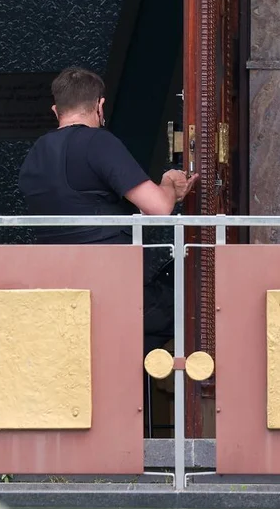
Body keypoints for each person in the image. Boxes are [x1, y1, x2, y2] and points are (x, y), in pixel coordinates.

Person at [17, 67, 196, 351]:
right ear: (100, 105)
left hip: (58, 288)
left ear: (56, 110)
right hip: (111, 287)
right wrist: (169, 185)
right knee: (194, 303)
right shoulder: (98, 142)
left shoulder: (36, 152)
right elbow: (159, 207)